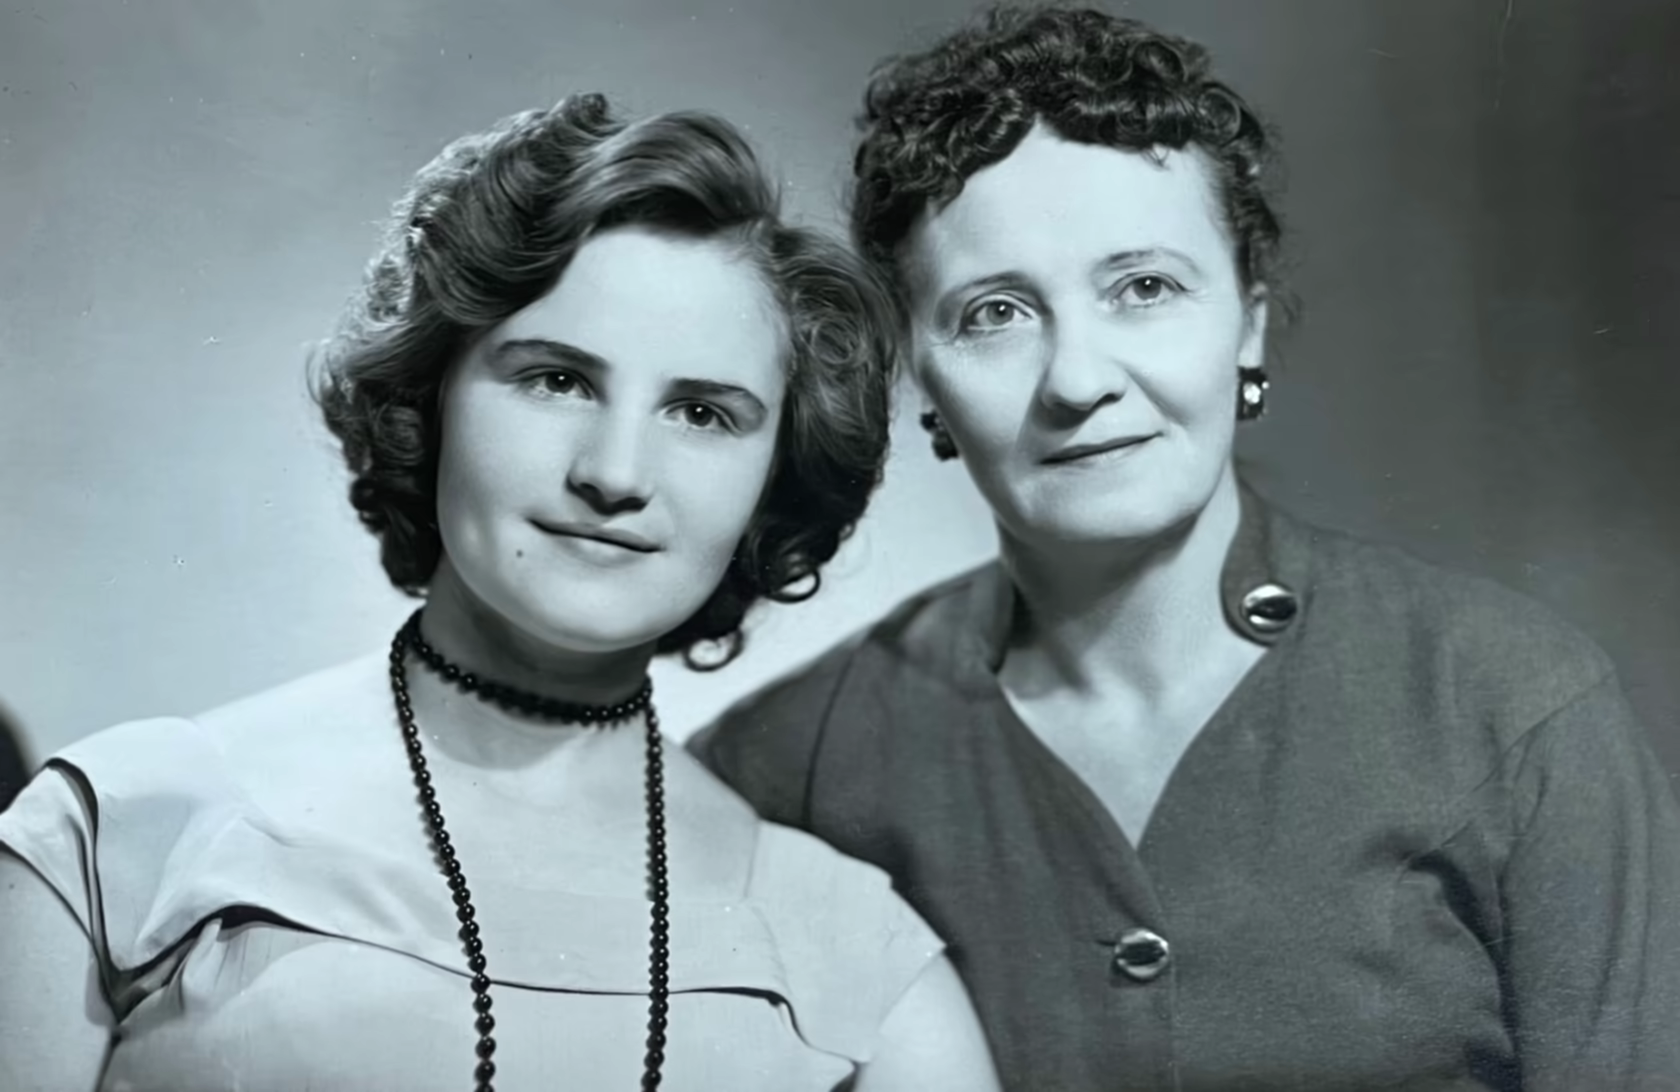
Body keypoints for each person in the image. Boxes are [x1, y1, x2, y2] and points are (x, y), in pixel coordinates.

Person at [689, 7, 1680, 1091]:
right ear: (921, 374)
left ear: (1247, 324)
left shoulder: (1510, 704)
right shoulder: (786, 768)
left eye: (1145, 288)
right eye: (996, 312)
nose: (1079, 380)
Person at [0, 94, 1000, 1092]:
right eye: (557, 380)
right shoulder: (122, 830)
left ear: (774, 478)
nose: (614, 473)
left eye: (701, 413)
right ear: (430, 396)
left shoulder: (870, 972)